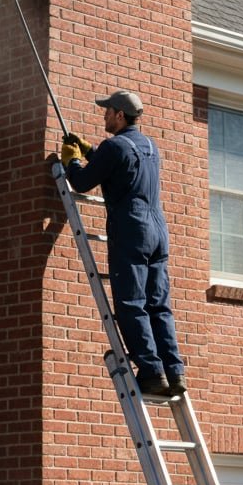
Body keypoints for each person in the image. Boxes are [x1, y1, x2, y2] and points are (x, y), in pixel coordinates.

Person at [61, 90, 187, 397]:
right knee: (158, 305)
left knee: (132, 302)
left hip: (132, 230)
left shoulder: (115, 146)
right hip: (158, 230)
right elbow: (121, 166)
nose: (104, 115)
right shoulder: (149, 146)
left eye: (108, 111)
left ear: (120, 115)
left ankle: (151, 372)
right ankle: (174, 371)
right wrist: (93, 151)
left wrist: (72, 160)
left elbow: (80, 182)